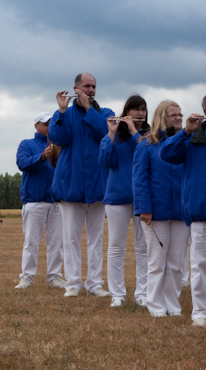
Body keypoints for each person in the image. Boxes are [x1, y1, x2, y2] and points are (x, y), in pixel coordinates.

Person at [160, 91, 206, 328]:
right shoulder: (192, 137)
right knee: (199, 266)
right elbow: (166, 154)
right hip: (200, 212)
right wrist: (185, 132)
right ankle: (200, 313)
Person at [49, 73, 113, 298]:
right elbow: (59, 138)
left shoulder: (105, 113)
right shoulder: (63, 113)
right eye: (87, 86)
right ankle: (73, 283)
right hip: (71, 183)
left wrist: (88, 109)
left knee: (96, 239)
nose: (91, 90)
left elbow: (106, 134)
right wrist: (62, 111)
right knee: (71, 239)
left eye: (94, 86)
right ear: (76, 88)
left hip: (97, 182)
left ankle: (94, 283)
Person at [132, 100, 188, 317]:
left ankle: (172, 305)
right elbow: (140, 179)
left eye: (180, 114)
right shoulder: (146, 145)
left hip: (181, 211)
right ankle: (155, 305)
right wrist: (144, 208)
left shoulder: (186, 143)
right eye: (174, 114)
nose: (178, 118)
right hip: (156, 211)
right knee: (157, 261)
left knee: (176, 262)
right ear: (162, 117)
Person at [99, 95, 151, 307]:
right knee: (116, 247)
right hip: (117, 198)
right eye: (136, 109)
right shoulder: (114, 136)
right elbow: (105, 161)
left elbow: (147, 152)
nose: (140, 113)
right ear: (126, 111)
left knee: (143, 248)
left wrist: (133, 132)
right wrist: (111, 134)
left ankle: (143, 294)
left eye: (144, 109)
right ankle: (117, 294)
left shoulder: (149, 135)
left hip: (142, 199)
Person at [15, 111, 64, 290]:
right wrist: (42, 157)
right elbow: (22, 163)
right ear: (36, 126)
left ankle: (55, 277)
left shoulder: (60, 145)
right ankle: (27, 277)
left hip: (56, 201)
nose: (49, 127)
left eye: (52, 124)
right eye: (46, 124)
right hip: (34, 200)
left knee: (57, 243)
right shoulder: (27, 144)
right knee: (31, 242)